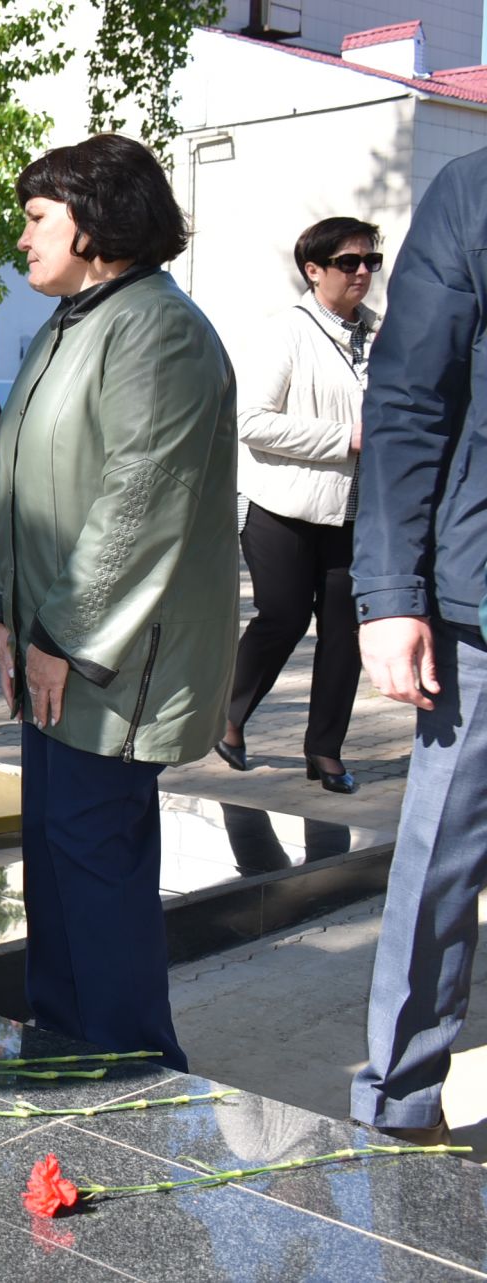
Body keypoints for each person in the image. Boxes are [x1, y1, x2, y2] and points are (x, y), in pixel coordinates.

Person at [0, 134, 237, 1073]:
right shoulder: (67, 323)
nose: (23, 239)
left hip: (113, 660)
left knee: (96, 861)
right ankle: (64, 1038)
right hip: (54, 648)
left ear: (94, 220)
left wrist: (62, 636)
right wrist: (2, 605)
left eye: (38, 218)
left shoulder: (157, 329)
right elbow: (21, 486)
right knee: (56, 853)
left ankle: (134, 1062)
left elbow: (139, 500)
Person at [349, 144, 487, 1145]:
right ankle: (399, 1098)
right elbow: (409, 398)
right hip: (479, 615)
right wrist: (391, 593)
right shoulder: (475, 191)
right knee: (441, 861)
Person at [214, 217, 381, 795]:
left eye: (370, 261)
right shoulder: (285, 333)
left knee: (346, 630)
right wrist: (345, 438)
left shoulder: (384, 336)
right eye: (348, 262)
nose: (363, 272)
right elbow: (252, 422)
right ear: (313, 271)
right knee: (283, 617)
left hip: (357, 513)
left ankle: (325, 751)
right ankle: (229, 717)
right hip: (281, 505)